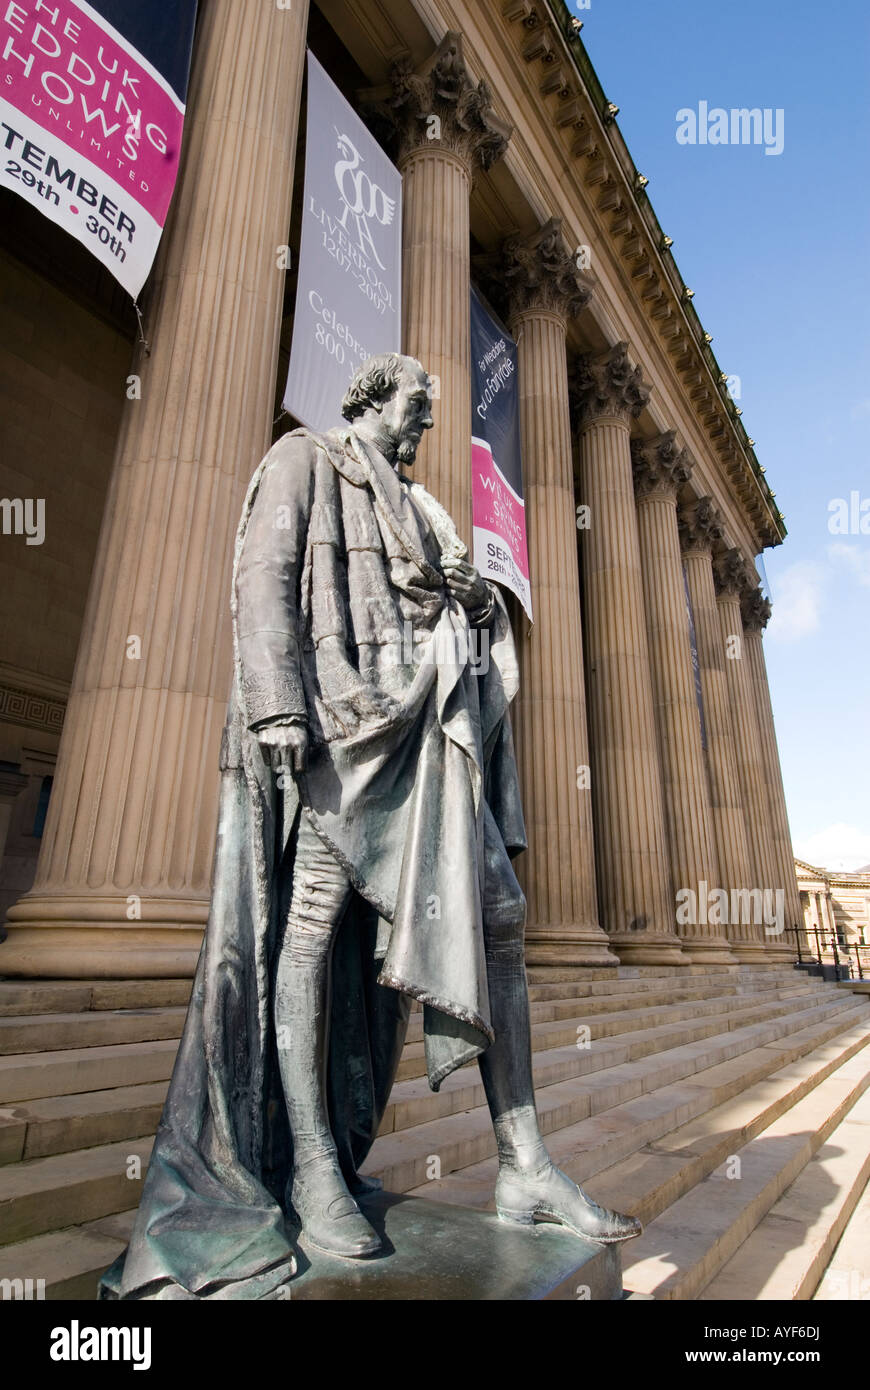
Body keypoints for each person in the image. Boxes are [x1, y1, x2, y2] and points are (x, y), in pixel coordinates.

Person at [102, 352, 640, 1301]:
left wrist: (475, 600)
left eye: (432, 411)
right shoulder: (304, 459)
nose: (426, 425)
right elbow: (264, 572)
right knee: (308, 930)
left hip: (424, 738)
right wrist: (274, 705)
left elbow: (445, 609)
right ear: (369, 400)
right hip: (337, 729)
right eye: (416, 407)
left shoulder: (426, 510)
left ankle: (524, 1163)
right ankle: (311, 1163)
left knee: (502, 916)